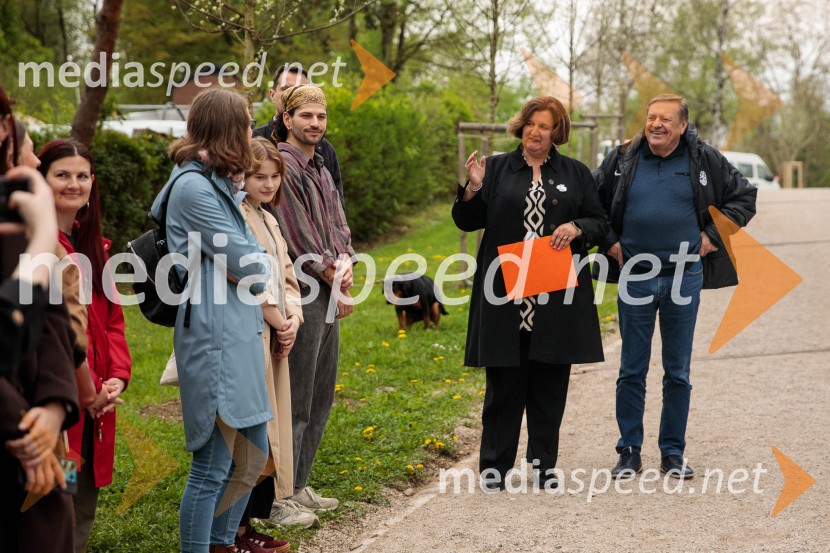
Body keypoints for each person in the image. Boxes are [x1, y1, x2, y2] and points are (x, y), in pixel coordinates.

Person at [594, 94, 757, 480]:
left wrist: (711, 236)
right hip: (635, 273)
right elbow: (592, 201)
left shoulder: (704, 159)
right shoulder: (623, 158)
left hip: (685, 276)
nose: (656, 124)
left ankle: (672, 453)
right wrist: (609, 240)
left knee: (677, 371)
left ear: (683, 125)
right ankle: (629, 452)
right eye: (651, 117)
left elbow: (745, 196)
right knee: (631, 368)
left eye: (665, 119)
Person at [452, 96, 608, 490]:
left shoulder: (576, 172)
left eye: (546, 126)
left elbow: (600, 222)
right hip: (505, 292)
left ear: (558, 132)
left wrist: (576, 228)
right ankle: (494, 467)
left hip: (555, 295)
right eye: (531, 124)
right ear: (520, 126)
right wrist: (472, 189)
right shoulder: (498, 168)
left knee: (549, 384)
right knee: (503, 384)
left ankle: (543, 465)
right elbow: (468, 221)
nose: (537, 132)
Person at [150, 88, 272, 553]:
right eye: (245, 121)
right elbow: (250, 262)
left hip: (238, 331)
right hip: (215, 335)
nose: (250, 129)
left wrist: (244, 260)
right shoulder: (194, 186)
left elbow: (241, 260)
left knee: (252, 454)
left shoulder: (216, 181)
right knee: (213, 464)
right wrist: (250, 261)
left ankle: (223, 544)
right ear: (228, 128)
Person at [37, 138, 133, 552]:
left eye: (81, 176)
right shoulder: (34, 251)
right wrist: (85, 390)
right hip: (59, 408)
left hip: (95, 406)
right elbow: (50, 337)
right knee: (53, 508)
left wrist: (116, 378)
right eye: (62, 175)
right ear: (40, 181)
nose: (73, 184)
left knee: (82, 508)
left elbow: (112, 324)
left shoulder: (97, 248)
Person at [265, 84, 355, 520]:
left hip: (330, 286)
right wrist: (332, 271)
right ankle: (278, 495)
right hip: (301, 292)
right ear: (287, 119)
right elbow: (295, 232)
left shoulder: (320, 165)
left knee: (321, 392)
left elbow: (338, 224)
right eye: (306, 117)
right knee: (295, 396)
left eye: (320, 117)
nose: (315, 124)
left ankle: (299, 484)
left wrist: (347, 265)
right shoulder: (282, 165)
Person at [1, 84, 78, 553]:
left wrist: (53, 409)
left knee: (54, 517)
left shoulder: (23, 222)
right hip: (14, 427)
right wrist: (19, 428)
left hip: (44, 416)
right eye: (31, 158)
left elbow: (54, 320)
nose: (33, 168)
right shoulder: (32, 231)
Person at [234, 137, 302, 553]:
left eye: (275, 177)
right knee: (249, 439)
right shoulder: (237, 217)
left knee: (268, 438)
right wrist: (276, 319)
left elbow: (288, 275)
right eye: (260, 176)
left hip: (278, 337)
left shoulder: (271, 220)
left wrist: (292, 317)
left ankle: (249, 526)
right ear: (242, 174)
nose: (269, 184)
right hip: (253, 337)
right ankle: (233, 533)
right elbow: (247, 278)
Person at [253, 63, 344, 208]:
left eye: (301, 89)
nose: (293, 94)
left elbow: (336, 202)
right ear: (272, 95)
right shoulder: (254, 141)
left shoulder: (324, 147)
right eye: (286, 89)